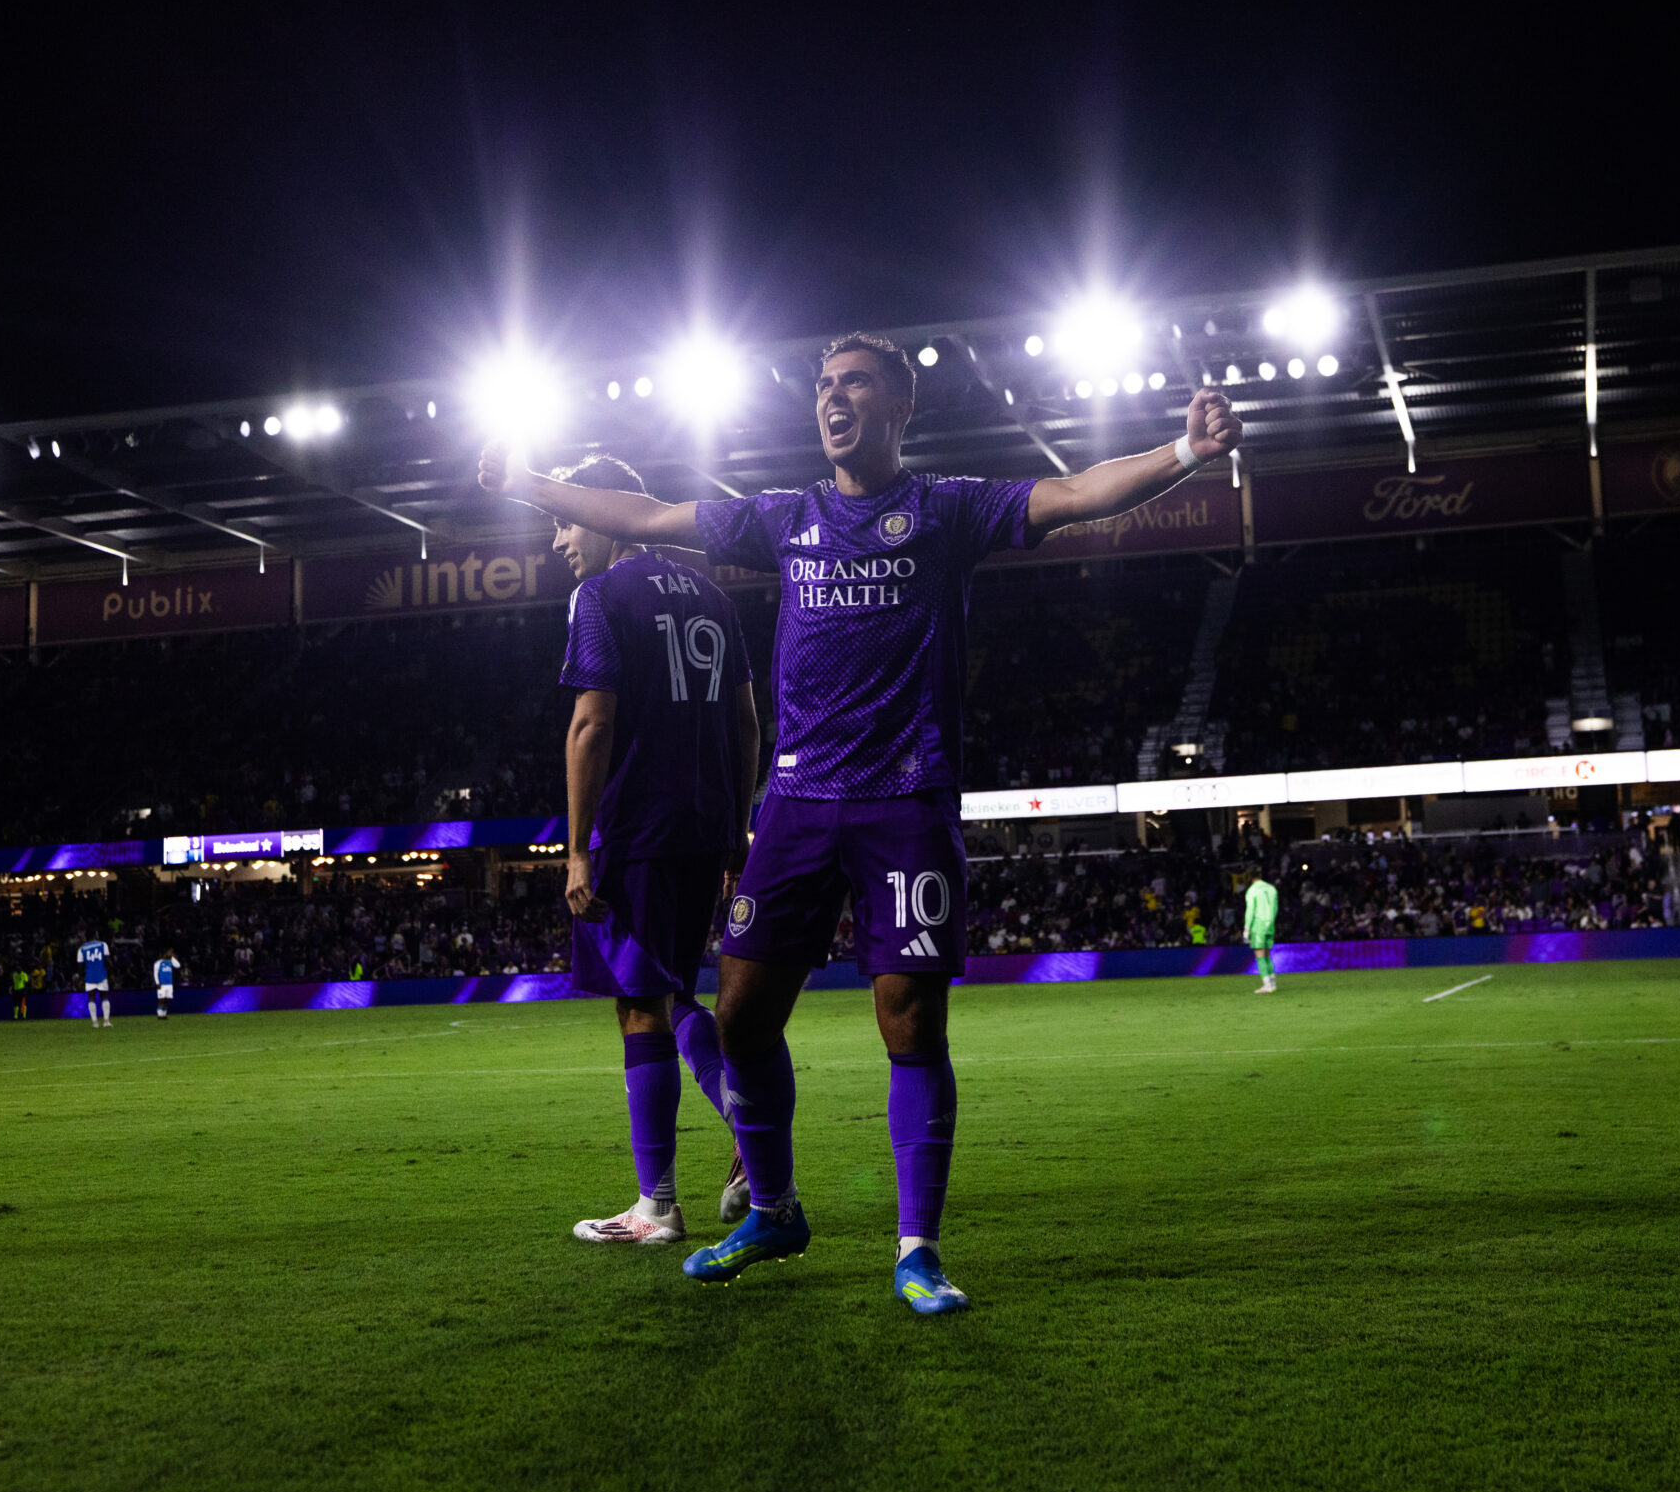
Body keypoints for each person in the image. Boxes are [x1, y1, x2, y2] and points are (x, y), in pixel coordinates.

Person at [479, 332, 1243, 1314]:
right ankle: (774, 1209)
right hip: (796, 805)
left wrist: (1184, 452)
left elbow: (1074, 493)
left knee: (909, 1019)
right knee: (740, 1016)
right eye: (824, 385)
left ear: (900, 405)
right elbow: (648, 514)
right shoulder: (784, 517)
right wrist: (528, 483)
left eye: (855, 383)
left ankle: (919, 1250)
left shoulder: (947, 509)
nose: (833, 398)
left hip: (904, 800)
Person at [529, 453, 759, 1247]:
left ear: (603, 511)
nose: (559, 539)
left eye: (565, 520)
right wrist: (735, 829)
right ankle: (750, 1135)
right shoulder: (714, 594)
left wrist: (577, 852)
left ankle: (657, 1205)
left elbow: (592, 723)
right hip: (702, 829)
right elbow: (747, 722)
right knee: (672, 994)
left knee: (638, 1005)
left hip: (637, 831)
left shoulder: (599, 596)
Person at [1243, 872, 1281, 995]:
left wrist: (1247, 928)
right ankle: (1272, 983)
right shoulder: (1272, 889)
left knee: (1260, 955)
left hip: (1259, 925)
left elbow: (1250, 910)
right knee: (1267, 955)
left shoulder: (1252, 890)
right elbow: (1275, 908)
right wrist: (1271, 921)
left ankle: (1267, 985)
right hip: (1270, 924)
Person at [78, 935, 113, 1028]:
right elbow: (108, 961)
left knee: (91, 998)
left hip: (89, 976)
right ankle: (106, 1021)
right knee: (104, 996)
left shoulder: (81, 949)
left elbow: (80, 967)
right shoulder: (103, 945)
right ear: (96, 935)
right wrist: (110, 973)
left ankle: (95, 1022)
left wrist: (82, 978)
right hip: (102, 974)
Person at [152, 949, 180, 1019]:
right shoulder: (158, 963)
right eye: (168, 953)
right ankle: (159, 1015)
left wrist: (172, 957)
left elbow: (178, 965)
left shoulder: (170, 961)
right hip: (161, 984)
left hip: (169, 984)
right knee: (161, 999)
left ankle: (164, 1014)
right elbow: (155, 974)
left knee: (166, 1000)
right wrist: (157, 983)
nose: (169, 954)